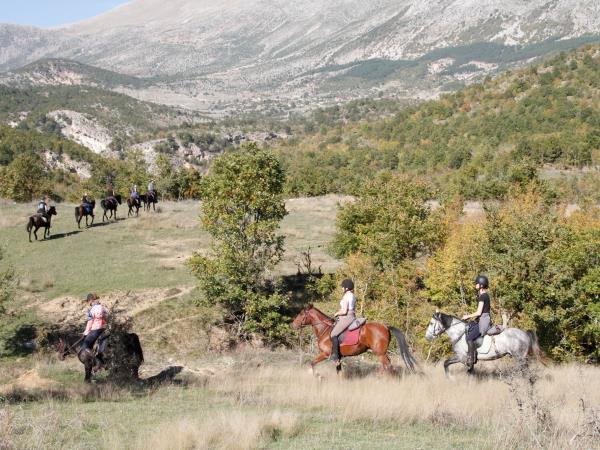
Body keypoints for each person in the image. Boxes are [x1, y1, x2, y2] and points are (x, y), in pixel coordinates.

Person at [462, 275, 492, 370]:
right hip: (483, 319)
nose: (475, 285)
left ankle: (471, 360)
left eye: (477, 283)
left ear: (481, 285)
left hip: (483, 321)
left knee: (470, 337)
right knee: (470, 329)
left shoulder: (482, 296)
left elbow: (479, 312)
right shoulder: (484, 295)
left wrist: (467, 316)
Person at [329, 279, 357, 363]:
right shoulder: (352, 295)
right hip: (352, 316)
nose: (342, 289)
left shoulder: (346, 296)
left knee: (333, 334)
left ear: (347, 288)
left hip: (346, 317)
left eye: (343, 287)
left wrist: (336, 313)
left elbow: (344, 311)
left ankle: (336, 356)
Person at [82, 293, 109, 370]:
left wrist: (86, 332)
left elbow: (90, 322)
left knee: (84, 346)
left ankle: (97, 361)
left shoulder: (91, 310)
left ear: (91, 300)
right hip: (105, 329)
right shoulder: (103, 307)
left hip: (96, 329)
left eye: (88, 301)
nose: (88, 303)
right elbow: (107, 317)